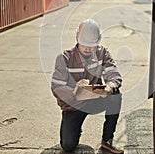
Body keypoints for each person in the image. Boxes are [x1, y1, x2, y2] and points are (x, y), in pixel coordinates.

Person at [51, 19, 124, 154]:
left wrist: (110, 85)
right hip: (74, 106)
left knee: (115, 95)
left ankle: (107, 140)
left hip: (94, 100)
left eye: (92, 45)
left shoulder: (102, 53)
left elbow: (113, 73)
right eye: (84, 44)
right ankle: (75, 129)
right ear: (77, 38)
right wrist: (74, 92)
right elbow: (56, 86)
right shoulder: (64, 58)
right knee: (67, 145)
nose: (88, 48)